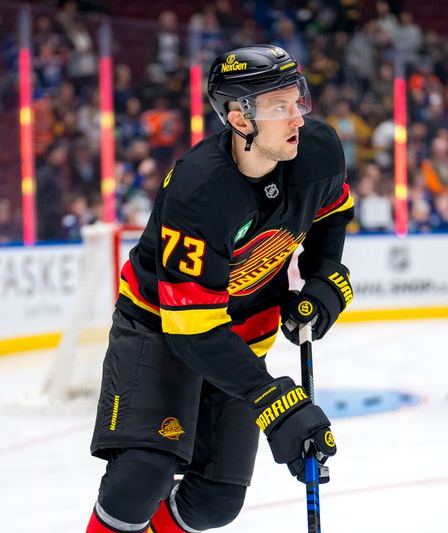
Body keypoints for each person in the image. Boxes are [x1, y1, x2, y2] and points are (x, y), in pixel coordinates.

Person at [86, 45, 354, 533]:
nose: (298, 117)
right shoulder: (199, 191)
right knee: (141, 476)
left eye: (298, 101)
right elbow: (191, 328)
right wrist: (273, 401)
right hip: (161, 330)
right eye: (280, 107)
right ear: (239, 118)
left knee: (215, 502)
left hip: (241, 334)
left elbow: (332, 213)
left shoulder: (318, 148)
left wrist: (325, 278)